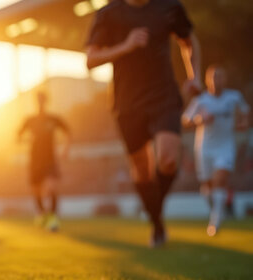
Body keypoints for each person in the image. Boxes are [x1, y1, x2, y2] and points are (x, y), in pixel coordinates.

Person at [86, 0, 201, 247]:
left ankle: (154, 211)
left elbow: (189, 41)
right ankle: (157, 224)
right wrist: (126, 46)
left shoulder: (169, 7)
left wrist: (195, 76)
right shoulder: (108, 13)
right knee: (142, 171)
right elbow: (91, 59)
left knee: (168, 160)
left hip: (164, 96)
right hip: (127, 103)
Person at [182, 65, 250, 236]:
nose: (216, 80)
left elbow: (246, 112)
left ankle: (216, 219)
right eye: (213, 77)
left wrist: (244, 123)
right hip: (204, 147)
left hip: (225, 146)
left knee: (220, 179)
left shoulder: (233, 97)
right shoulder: (201, 101)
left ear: (224, 80)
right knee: (207, 186)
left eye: (219, 77)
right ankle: (216, 209)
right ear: (207, 80)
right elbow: (185, 120)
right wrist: (200, 119)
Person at [17, 91, 70, 232]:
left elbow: (67, 131)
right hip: (35, 160)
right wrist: (25, 141)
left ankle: (52, 217)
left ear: (46, 101)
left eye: (42, 99)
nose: (40, 102)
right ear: (36, 102)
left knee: (51, 187)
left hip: (50, 159)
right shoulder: (30, 120)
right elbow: (18, 136)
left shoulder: (53, 119)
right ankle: (41, 214)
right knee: (36, 191)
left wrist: (65, 148)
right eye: (38, 100)